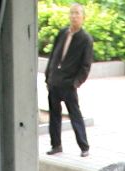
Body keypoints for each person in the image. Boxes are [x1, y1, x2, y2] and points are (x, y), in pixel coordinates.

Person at [45, 4, 94, 157]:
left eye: (77, 13)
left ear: (83, 17)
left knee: (75, 114)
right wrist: (48, 76)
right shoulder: (62, 33)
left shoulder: (85, 39)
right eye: (72, 13)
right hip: (54, 81)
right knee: (54, 115)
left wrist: (76, 83)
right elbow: (53, 55)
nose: (74, 16)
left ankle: (84, 146)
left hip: (69, 83)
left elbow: (86, 65)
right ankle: (56, 145)